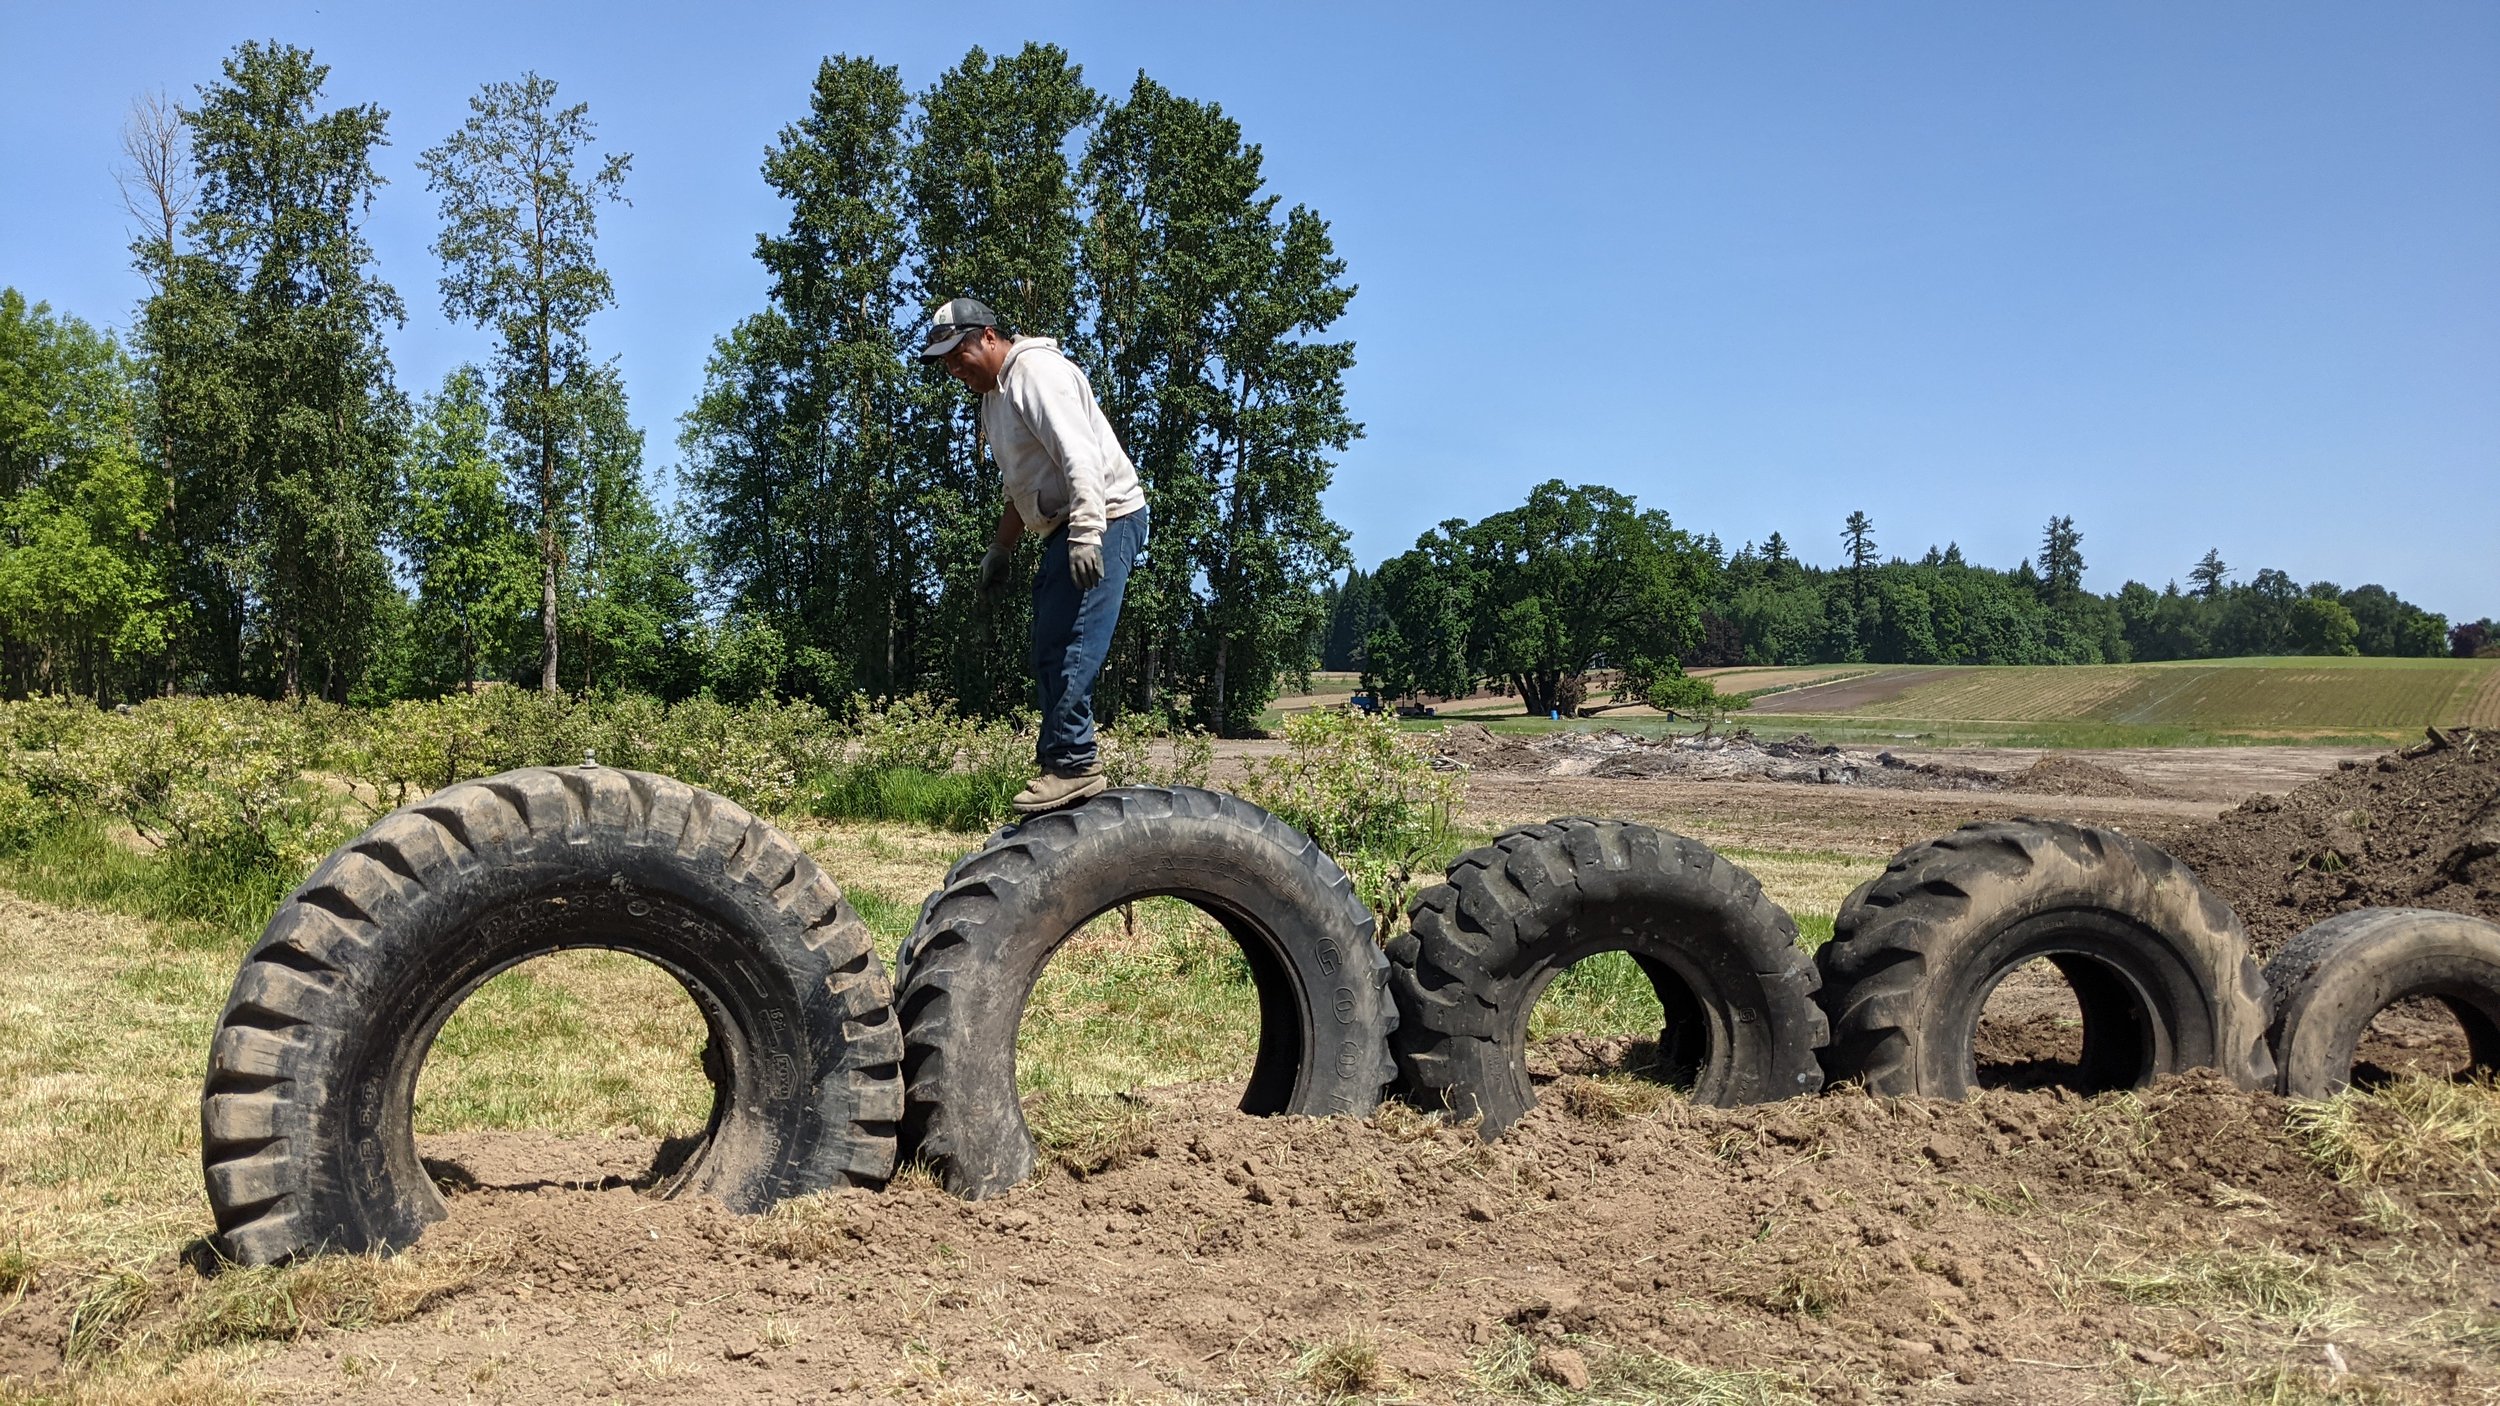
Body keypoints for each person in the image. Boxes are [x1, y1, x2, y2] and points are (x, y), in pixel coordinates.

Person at [920, 297, 1149, 813]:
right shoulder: (992, 399)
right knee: (1047, 646)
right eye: (947, 363)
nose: (955, 368)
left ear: (989, 336)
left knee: (1072, 643)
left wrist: (1089, 534)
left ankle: (1075, 764)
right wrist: (1001, 548)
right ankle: (1062, 765)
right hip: (1064, 528)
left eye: (960, 354)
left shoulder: (1036, 373)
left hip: (1105, 517)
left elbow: (1080, 455)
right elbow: (1021, 487)